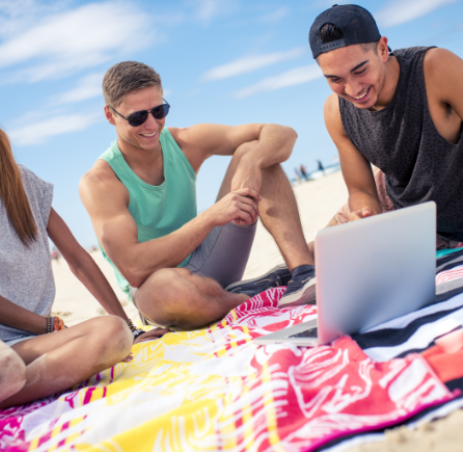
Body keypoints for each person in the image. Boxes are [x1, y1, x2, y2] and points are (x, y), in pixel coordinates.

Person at [0, 80, 164, 435]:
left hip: (18, 338)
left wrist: (129, 325)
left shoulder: (24, 183)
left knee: (112, 334)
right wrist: (46, 326)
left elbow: (78, 259)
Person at [80, 61, 316, 331]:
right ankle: (252, 294)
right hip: (159, 287)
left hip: (211, 258)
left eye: (159, 111)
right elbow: (134, 268)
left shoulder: (184, 142)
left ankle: (304, 275)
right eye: (137, 117)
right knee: (167, 292)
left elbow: (281, 133)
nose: (152, 124)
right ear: (110, 116)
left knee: (256, 149)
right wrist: (210, 217)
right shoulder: (100, 182)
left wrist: (252, 161)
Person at [308, 4, 463, 250]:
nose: (353, 89)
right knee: (316, 253)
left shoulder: (435, 68)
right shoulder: (335, 112)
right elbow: (360, 189)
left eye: (360, 71)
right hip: (400, 209)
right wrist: (364, 213)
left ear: (382, 49)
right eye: (335, 79)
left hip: (451, 212)